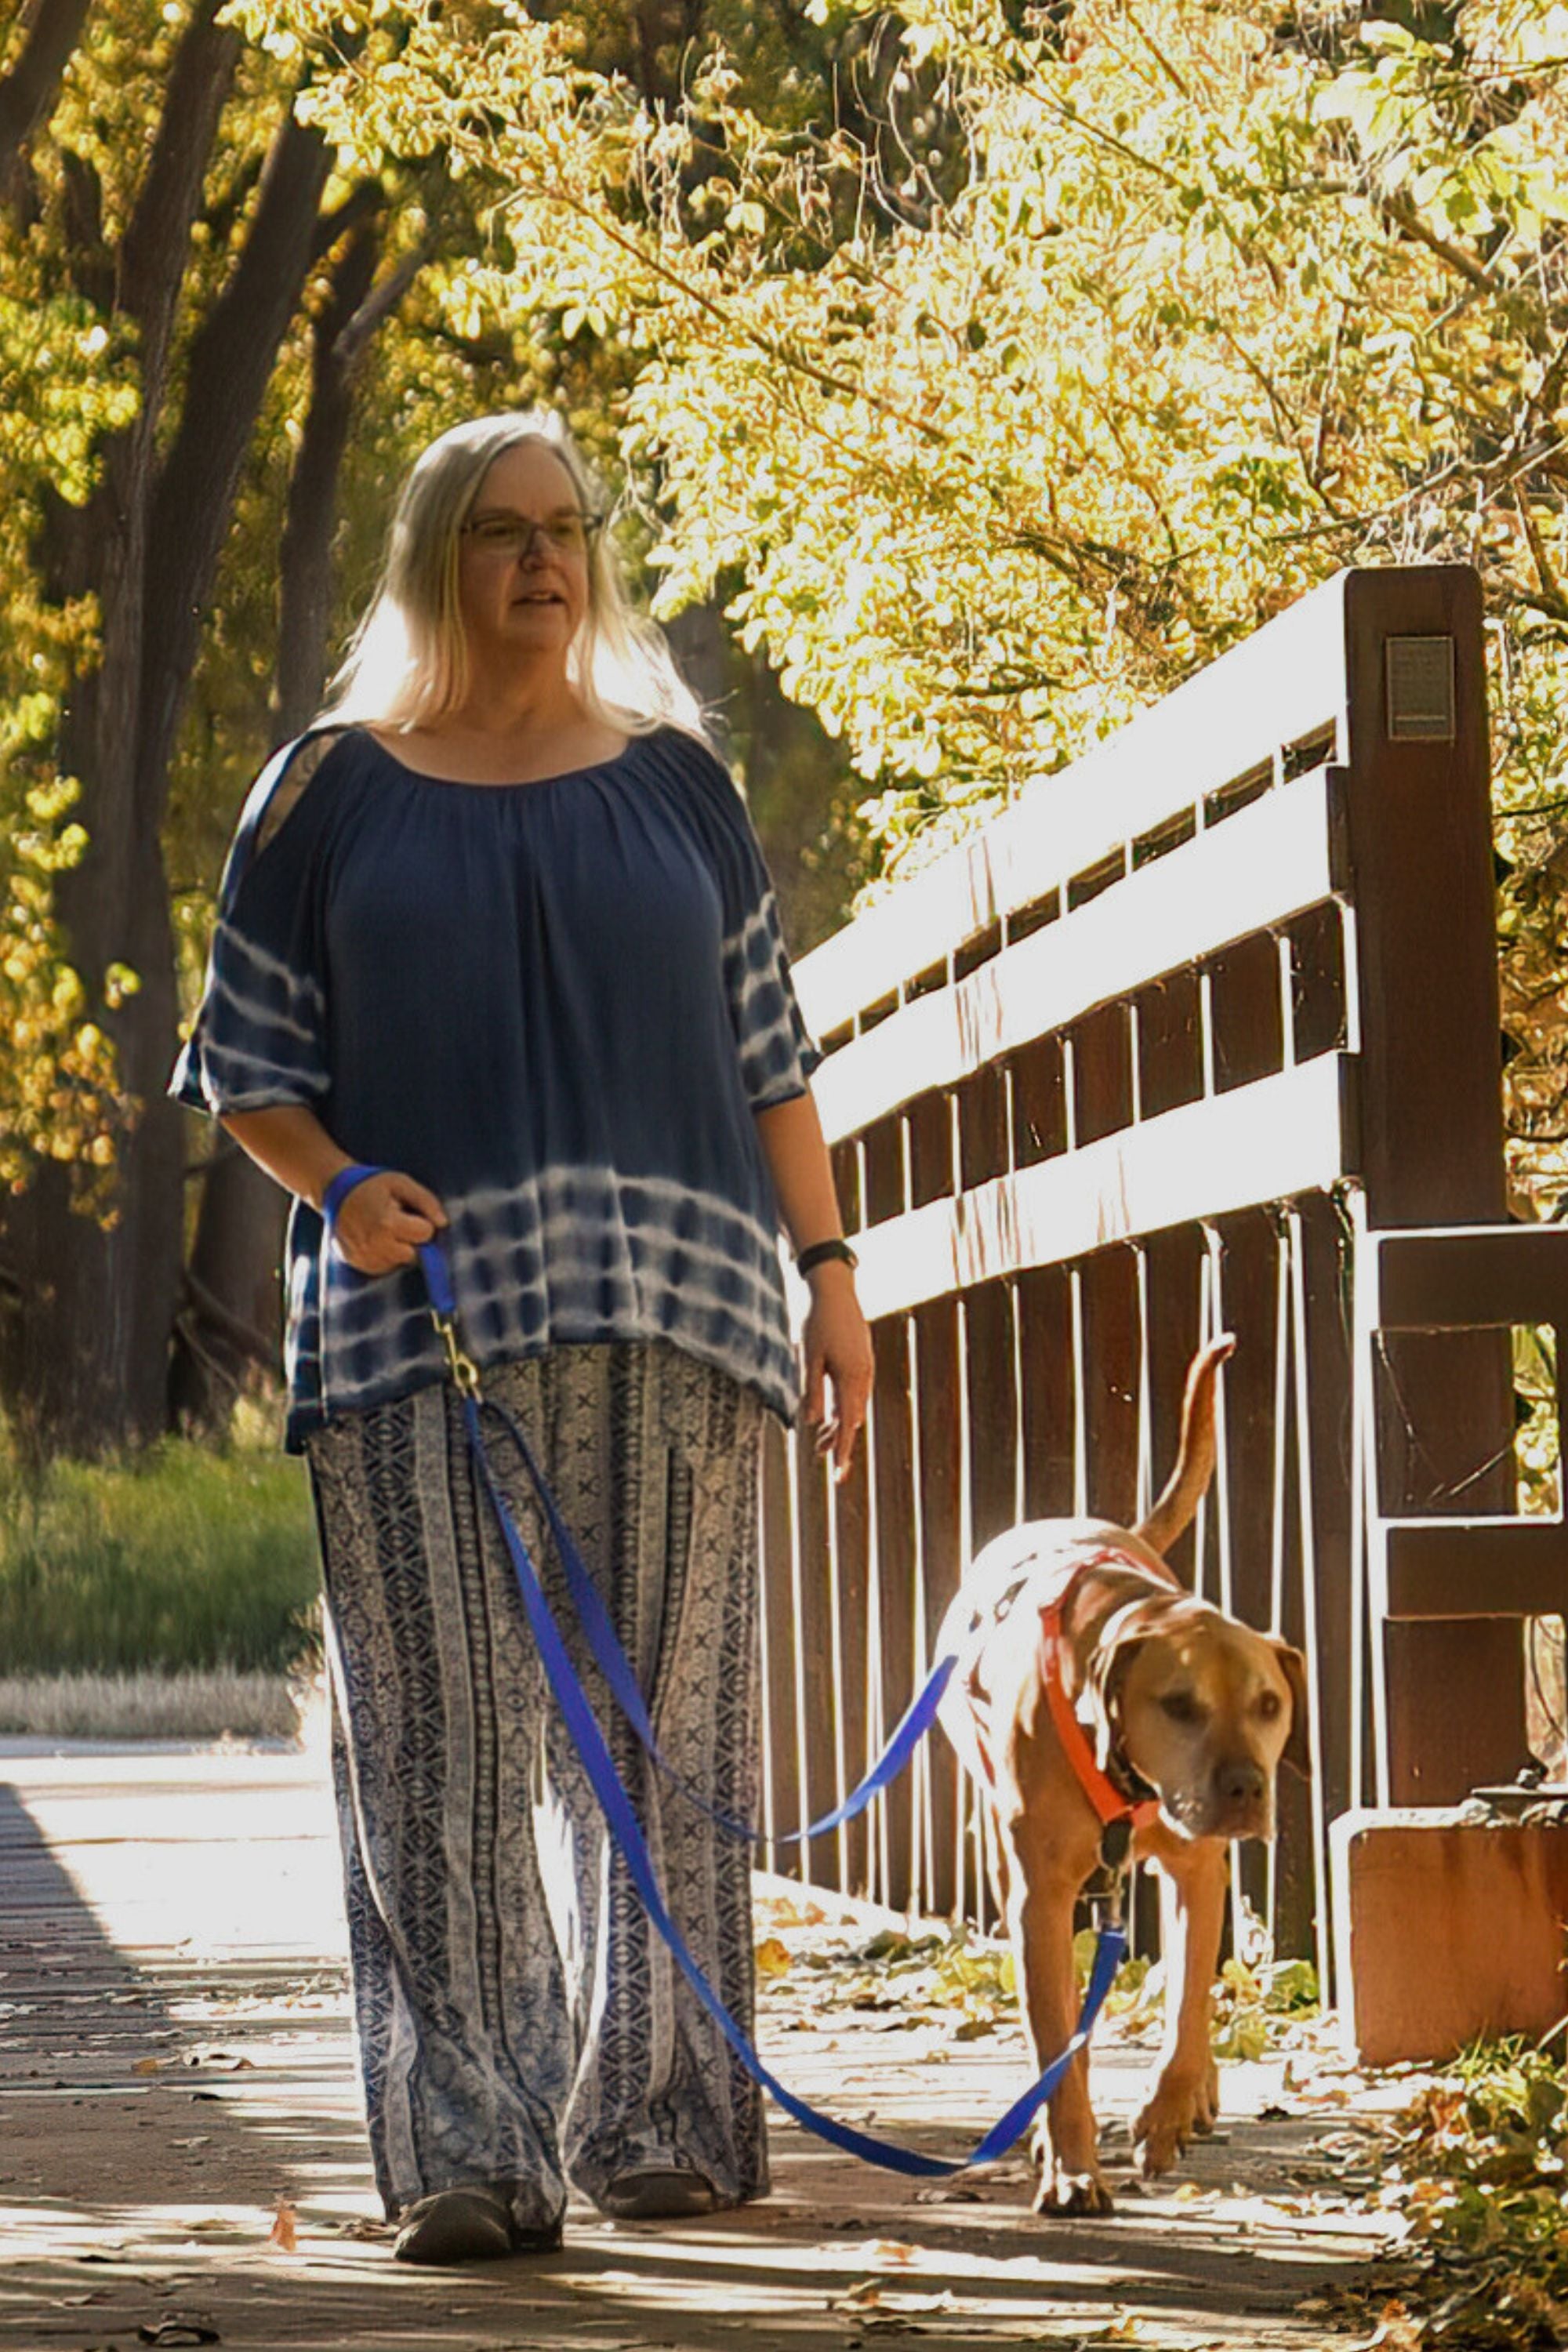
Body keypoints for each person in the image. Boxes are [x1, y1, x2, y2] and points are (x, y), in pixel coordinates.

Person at [169, 411, 874, 2264]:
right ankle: (471, 2143)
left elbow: (770, 1060)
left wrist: (833, 1274)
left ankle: (657, 2116)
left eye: (566, 529)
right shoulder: (328, 789)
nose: (542, 560)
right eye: (501, 531)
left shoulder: (679, 786)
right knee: (436, 1746)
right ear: (435, 560)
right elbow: (242, 1064)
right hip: (421, 1328)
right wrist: (337, 1185)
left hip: (682, 1312)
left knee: (658, 1736)